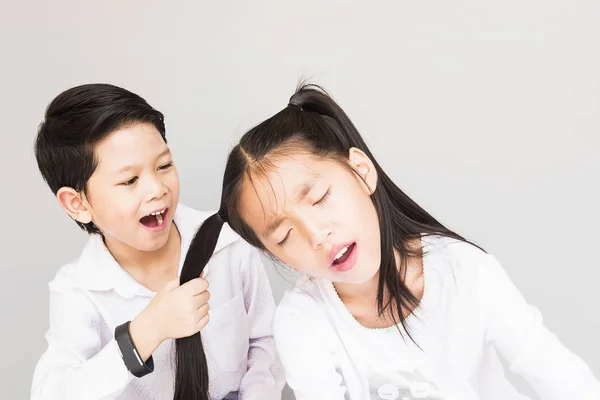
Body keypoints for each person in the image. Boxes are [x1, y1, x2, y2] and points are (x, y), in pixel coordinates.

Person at [182, 83, 600, 400]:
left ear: (361, 171)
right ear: (277, 257)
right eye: (286, 236)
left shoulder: (463, 271)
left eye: (320, 197)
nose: (316, 235)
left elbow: (558, 373)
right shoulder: (303, 324)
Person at [31, 83, 285, 400]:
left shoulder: (227, 243)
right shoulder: (79, 291)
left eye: (164, 165)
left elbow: (265, 342)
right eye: (129, 180)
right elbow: (53, 393)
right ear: (78, 204)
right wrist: (144, 333)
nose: (156, 188)